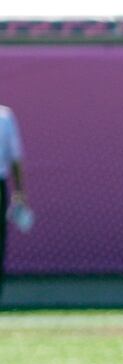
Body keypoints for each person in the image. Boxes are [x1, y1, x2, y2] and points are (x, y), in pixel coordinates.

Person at [0, 99, 25, 307]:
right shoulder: (5, 116)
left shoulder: (5, 116)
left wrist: (19, 192)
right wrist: (19, 192)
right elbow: (15, 158)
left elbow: (15, 157)